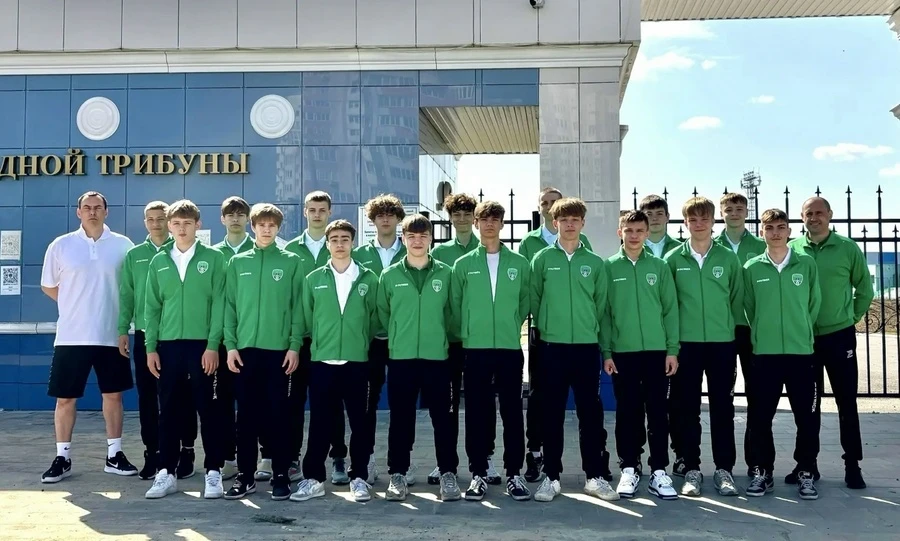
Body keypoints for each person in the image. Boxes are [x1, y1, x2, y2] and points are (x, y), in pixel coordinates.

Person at [40, 191, 137, 483]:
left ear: (106, 212)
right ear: (78, 212)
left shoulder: (123, 245)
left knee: (113, 396)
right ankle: (62, 457)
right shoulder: (61, 245)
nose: (92, 211)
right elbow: (49, 285)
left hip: (111, 335)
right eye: (87, 207)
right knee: (65, 399)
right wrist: (75, 305)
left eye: (97, 207)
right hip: (71, 336)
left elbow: (131, 288)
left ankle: (114, 455)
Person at [529, 197, 618, 503]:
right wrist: (548, 328)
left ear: (582, 223)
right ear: (555, 223)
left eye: (575, 219)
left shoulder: (594, 263)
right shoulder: (541, 259)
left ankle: (594, 476)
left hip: (585, 348)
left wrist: (604, 348)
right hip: (552, 348)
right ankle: (551, 477)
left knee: (589, 414)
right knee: (551, 414)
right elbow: (535, 300)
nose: (569, 224)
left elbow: (601, 308)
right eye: (564, 220)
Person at [142, 200, 227, 499]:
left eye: (187, 223)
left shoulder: (214, 258)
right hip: (168, 346)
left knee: (209, 409)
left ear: (197, 225)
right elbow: (151, 308)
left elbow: (219, 304)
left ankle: (214, 471)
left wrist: (213, 345)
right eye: (176, 223)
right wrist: (151, 347)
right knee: (168, 411)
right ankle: (166, 472)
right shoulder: (159, 261)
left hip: (202, 346)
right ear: (169, 225)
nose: (181, 228)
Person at [291, 220, 380, 503]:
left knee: (360, 424)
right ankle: (314, 479)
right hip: (322, 362)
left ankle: (359, 478)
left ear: (353, 242)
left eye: (345, 239)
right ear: (327, 243)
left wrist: (359, 343)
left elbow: (375, 319)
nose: (339, 244)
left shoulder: (368, 279)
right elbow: (305, 319)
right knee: (320, 423)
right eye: (334, 239)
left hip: (357, 363)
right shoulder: (313, 279)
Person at [788, 196, 873, 489]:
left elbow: (865, 289)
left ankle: (852, 465)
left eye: (819, 212)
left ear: (830, 215)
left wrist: (849, 318)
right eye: (808, 213)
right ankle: (806, 464)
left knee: (846, 402)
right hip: (805, 339)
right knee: (808, 405)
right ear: (802, 217)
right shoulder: (793, 249)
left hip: (839, 337)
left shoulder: (847, 248)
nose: (814, 218)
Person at [449, 200, 531, 501]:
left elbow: (525, 300)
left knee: (512, 412)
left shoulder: (519, 263)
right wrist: (471, 330)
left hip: (509, 348)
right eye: (484, 219)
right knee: (476, 413)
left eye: (495, 219)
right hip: (476, 349)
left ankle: (514, 474)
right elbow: (456, 305)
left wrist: (510, 324)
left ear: (502, 224)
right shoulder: (463, 264)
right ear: (476, 223)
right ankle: (478, 474)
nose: (489, 224)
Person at [376, 214, 460, 502]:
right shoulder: (390, 276)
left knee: (443, 419)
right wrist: (399, 335)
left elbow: (453, 312)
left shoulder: (446, 273)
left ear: (431, 239)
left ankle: (448, 473)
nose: (417, 241)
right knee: (401, 418)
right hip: (402, 359)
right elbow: (383, 313)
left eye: (423, 236)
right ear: (403, 239)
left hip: (437, 358)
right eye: (411, 236)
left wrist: (439, 337)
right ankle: (398, 474)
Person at [663, 197, 743, 497]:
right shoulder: (673, 259)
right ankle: (692, 469)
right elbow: (668, 305)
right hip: (687, 346)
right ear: (685, 223)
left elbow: (736, 298)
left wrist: (727, 330)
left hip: (722, 345)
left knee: (723, 408)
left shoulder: (728, 258)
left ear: (713, 221)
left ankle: (724, 470)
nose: (699, 224)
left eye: (704, 218)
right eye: (693, 219)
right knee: (687, 409)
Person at [223, 203, 303, 501]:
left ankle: (280, 475)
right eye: (262, 225)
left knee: (278, 416)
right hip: (244, 352)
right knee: (245, 418)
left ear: (278, 228)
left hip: (278, 352)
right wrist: (231, 346)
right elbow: (229, 307)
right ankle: (245, 477)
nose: (267, 230)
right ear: (253, 227)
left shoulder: (291, 261)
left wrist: (294, 346)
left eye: (272, 225)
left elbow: (298, 308)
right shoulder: (237, 262)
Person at [743, 209, 821, 500]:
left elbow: (813, 304)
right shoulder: (751, 268)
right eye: (769, 227)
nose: (775, 232)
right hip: (765, 354)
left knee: (806, 418)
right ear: (761, 232)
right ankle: (763, 471)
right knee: (761, 417)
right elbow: (748, 307)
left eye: (780, 227)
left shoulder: (806, 264)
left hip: (801, 353)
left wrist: (801, 331)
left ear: (789, 231)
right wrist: (763, 333)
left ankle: (805, 470)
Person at [516, 186, 593, 483]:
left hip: (579, 338)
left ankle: (595, 462)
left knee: (588, 404)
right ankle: (535, 452)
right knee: (540, 396)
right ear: (541, 209)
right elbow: (531, 290)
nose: (549, 207)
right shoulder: (530, 244)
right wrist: (544, 321)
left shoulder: (583, 244)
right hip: (545, 335)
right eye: (545, 203)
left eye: (554, 202)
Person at [118, 201, 198, 481]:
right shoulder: (135, 255)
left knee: (182, 396)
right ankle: (153, 453)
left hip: (177, 336)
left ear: (170, 221)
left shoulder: (180, 252)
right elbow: (127, 295)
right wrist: (122, 329)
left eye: (161, 218)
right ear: (145, 223)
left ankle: (186, 451)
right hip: (145, 335)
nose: (156, 223)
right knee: (148, 397)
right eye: (150, 219)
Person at [604, 210, 680, 501]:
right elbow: (605, 314)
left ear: (647, 233)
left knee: (658, 412)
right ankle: (629, 467)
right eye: (629, 230)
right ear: (619, 232)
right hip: (623, 353)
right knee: (628, 412)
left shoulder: (659, 267)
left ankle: (659, 470)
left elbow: (670, 310)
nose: (634, 235)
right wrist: (607, 351)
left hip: (656, 353)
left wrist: (672, 350)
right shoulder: (608, 268)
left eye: (639, 230)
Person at [432, 192, 498, 486]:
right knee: (447, 404)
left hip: (477, 340)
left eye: (466, 214)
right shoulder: (439, 253)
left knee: (481, 402)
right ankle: (445, 462)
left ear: (474, 218)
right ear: (450, 218)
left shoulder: (486, 248)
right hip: (447, 340)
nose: (461, 219)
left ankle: (485, 456)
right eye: (455, 214)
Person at [283, 190, 348, 484]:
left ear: (330, 212)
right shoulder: (291, 250)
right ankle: (293, 458)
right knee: (294, 402)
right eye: (312, 209)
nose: (317, 214)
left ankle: (338, 458)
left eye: (322, 209)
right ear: (305, 212)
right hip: (298, 339)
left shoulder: (339, 246)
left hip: (331, 341)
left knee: (332, 404)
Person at [352, 193, 408, 484]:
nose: (385, 220)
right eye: (379, 215)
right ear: (372, 220)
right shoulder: (359, 254)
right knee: (367, 404)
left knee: (401, 405)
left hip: (402, 339)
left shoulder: (412, 250)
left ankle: (401, 464)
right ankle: (367, 458)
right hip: (369, 339)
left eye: (390, 215)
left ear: (398, 219)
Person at [714, 192, 766, 477]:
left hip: (751, 330)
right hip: (721, 330)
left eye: (739, 208)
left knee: (757, 396)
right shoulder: (712, 246)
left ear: (746, 212)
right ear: (721, 213)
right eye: (728, 209)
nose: (734, 213)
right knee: (724, 398)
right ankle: (725, 464)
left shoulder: (760, 246)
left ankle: (756, 460)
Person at [638, 194, 685, 475]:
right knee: (638, 405)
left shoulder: (680, 251)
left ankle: (678, 453)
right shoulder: (632, 248)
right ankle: (634, 458)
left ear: (667, 217)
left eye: (659, 213)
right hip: (638, 342)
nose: (654, 218)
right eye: (649, 214)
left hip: (671, 338)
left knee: (674, 402)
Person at [211, 196, 253, 482]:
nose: (235, 219)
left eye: (240, 214)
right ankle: (228, 458)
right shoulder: (213, 254)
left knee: (254, 403)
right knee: (223, 403)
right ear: (222, 219)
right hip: (221, 341)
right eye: (230, 214)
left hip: (250, 340)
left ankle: (264, 456)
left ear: (248, 219)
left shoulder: (259, 249)